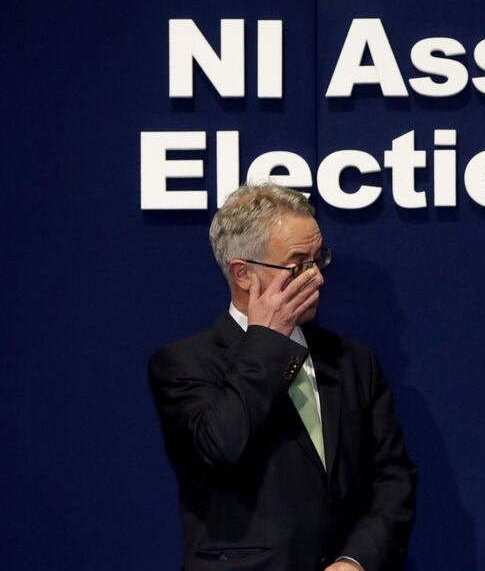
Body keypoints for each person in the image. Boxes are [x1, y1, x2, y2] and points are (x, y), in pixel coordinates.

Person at [149, 184, 416, 571]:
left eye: (318, 259)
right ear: (243, 274)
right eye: (298, 265)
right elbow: (221, 448)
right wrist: (269, 341)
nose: (317, 278)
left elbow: (393, 477)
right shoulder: (182, 364)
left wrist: (356, 561)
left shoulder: (353, 361)